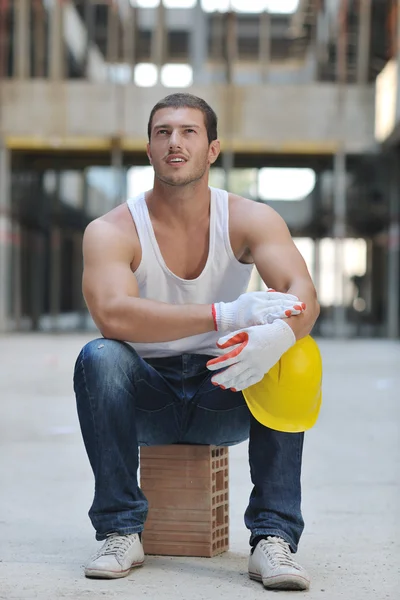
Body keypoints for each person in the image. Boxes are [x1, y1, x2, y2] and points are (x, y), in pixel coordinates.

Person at [73, 92, 320, 591]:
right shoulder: (112, 230)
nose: (175, 142)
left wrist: (276, 335)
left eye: (189, 131)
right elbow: (112, 315)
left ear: (212, 149)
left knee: (297, 355)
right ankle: (121, 530)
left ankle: (273, 538)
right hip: (148, 395)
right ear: (149, 149)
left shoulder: (251, 218)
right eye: (163, 132)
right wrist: (224, 314)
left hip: (224, 386)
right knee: (99, 357)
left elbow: (305, 297)